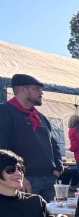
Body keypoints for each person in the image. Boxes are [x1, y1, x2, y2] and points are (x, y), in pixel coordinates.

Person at [0, 74, 62, 202]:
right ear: (22, 90)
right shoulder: (4, 111)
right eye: (36, 89)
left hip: (49, 178)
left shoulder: (40, 116)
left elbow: (53, 143)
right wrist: (18, 176)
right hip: (26, 179)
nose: (41, 93)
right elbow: (2, 148)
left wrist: (58, 168)